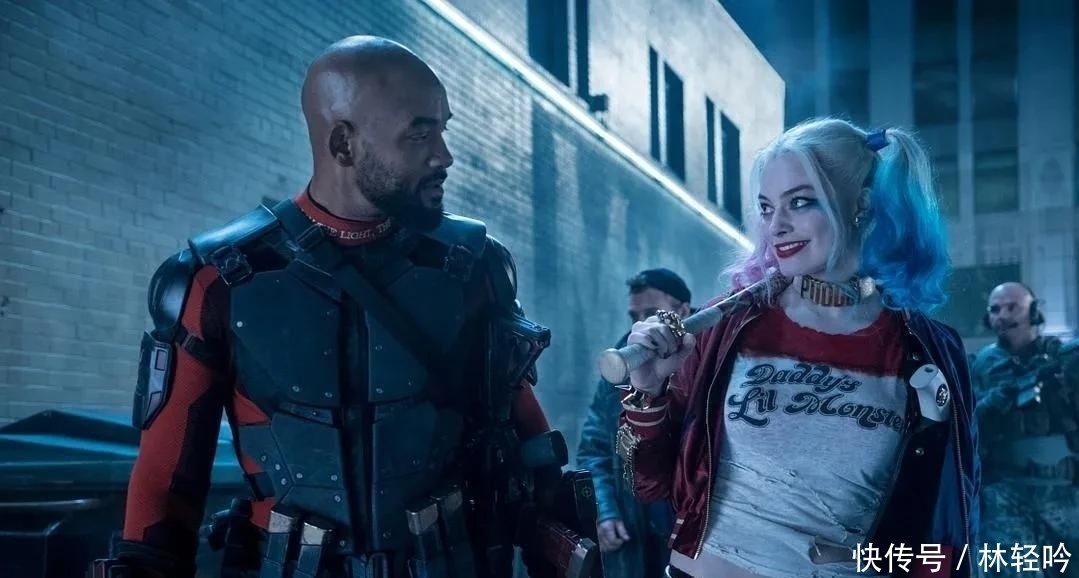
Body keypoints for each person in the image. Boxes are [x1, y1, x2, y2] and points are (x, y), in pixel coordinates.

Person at [90, 36, 593, 578]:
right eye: (419, 133)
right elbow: (164, 486)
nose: (443, 156)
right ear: (343, 144)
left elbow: (528, 442)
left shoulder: (475, 266)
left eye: (442, 130)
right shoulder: (215, 280)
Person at [617, 119, 979, 578]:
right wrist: (648, 391)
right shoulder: (727, 326)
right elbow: (645, 485)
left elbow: (950, 515)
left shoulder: (929, 350)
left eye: (800, 202)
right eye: (766, 208)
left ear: (862, 204)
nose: (777, 227)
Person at [578, 269, 689, 578]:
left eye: (651, 313)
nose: (641, 323)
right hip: (636, 532)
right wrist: (603, 510)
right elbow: (595, 447)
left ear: (682, 312)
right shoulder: (620, 367)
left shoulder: (709, 362)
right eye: (634, 316)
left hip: (692, 532)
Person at [971, 282, 1078, 578]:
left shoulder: (1064, 360)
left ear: (1033, 311)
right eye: (995, 309)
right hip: (1004, 495)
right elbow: (963, 428)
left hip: (1065, 493)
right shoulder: (980, 366)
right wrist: (992, 403)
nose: (1003, 315)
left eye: (1012, 307)